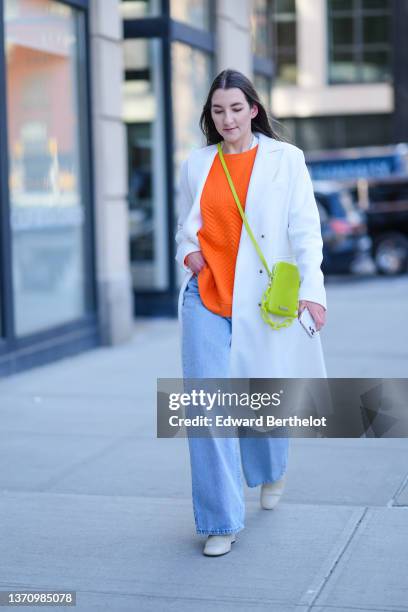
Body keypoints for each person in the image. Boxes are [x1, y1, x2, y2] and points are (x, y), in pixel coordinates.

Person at [175, 69, 327, 557]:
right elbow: (187, 226)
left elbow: (306, 229)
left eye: (236, 108)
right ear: (210, 114)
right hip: (206, 296)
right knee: (206, 406)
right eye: (218, 110)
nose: (227, 119)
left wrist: (314, 291)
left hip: (260, 298)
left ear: (254, 109)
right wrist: (187, 252)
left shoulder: (286, 159)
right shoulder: (197, 163)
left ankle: (270, 467)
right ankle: (221, 519)